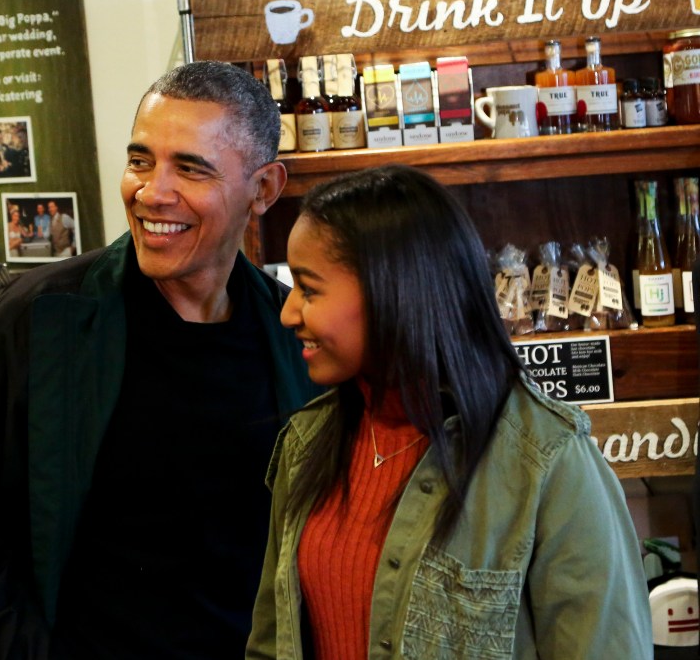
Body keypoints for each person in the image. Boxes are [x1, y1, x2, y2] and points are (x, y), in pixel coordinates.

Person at [0, 60, 323, 659]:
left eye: (190, 168)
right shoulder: (45, 321)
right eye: (141, 161)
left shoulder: (293, 337)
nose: (151, 192)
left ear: (264, 189)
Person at [247, 165, 652, 658]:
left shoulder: (546, 460)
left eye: (309, 290)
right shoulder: (307, 443)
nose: (290, 313)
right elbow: (272, 641)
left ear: (391, 291)